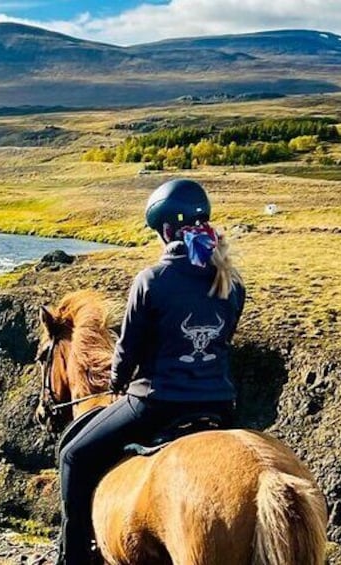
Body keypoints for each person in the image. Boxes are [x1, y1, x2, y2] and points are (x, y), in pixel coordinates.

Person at [57, 179, 246, 564]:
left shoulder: (152, 280)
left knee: (73, 455)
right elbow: (222, 340)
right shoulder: (232, 281)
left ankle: (72, 557)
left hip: (157, 402)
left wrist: (117, 382)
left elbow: (128, 351)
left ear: (164, 231)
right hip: (220, 405)